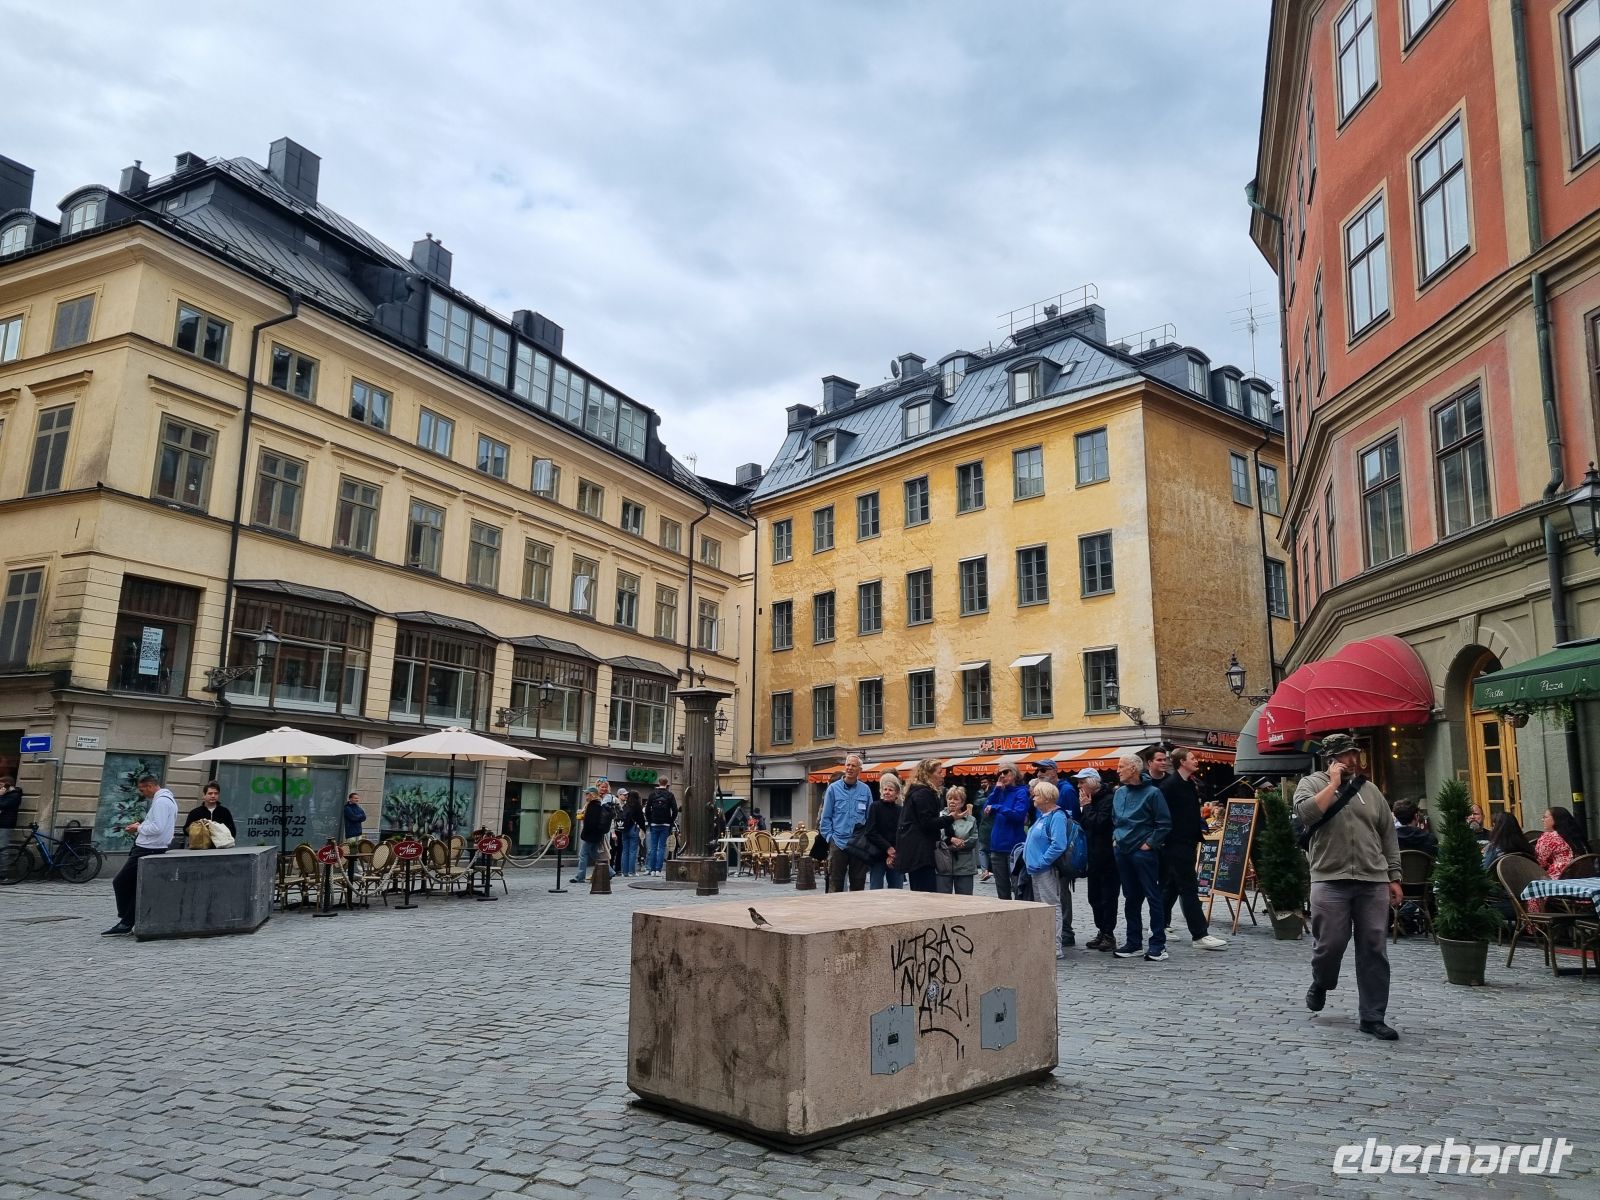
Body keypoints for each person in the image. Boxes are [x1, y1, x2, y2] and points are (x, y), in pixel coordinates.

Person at [1294, 732, 1403, 1041]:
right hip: (1330, 878)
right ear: (1331, 758)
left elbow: (1388, 836)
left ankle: (1372, 1016)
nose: (1354, 759)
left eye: (1356, 753)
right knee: (1330, 945)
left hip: (1372, 879)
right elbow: (1307, 814)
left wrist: (1394, 876)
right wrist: (1333, 784)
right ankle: (1322, 981)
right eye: (1347, 754)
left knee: (1373, 947)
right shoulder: (1311, 785)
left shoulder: (1371, 791)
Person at [1158, 750, 1227, 951]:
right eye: (1192, 759)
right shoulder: (1169, 786)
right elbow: (1163, 815)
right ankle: (1199, 934)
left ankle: (1159, 926)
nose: (1196, 761)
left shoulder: (1190, 783)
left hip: (1188, 841)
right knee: (1188, 887)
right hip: (1175, 843)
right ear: (1182, 762)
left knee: (1171, 886)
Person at [1112, 755, 1171, 961]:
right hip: (1123, 850)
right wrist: (1116, 839)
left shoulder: (1153, 793)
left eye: (1121, 766)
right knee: (1130, 897)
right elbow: (1116, 820)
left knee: (1152, 896)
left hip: (1143, 851)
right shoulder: (1119, 793)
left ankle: (1158, 944)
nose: (1117, 770)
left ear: (1133, 769)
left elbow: (1164, 823)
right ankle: (1133, 942)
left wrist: (1149, 844)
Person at [104, 774, 178, 936]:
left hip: (147, 849)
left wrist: (138, 828)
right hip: (151, 847)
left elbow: (157, 828)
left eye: (142, 789)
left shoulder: (161, 802)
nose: (142, 792)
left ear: (150, 786)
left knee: (121, 882)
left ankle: (126, 920)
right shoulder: (166, 800)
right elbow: (158, 825)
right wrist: (141, 825)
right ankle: (127, 921)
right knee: (133, 886)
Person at [1023, 779, 1070, 959]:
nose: (1033, 797)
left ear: (1046, 798)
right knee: (1043, 907)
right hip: (1035, 869)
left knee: (1051, 906)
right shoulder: (1042, 815)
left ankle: (1055, 947)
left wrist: (1042, 862)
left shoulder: (1057, 816)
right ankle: (1045, 942)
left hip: (1045, 869)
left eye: (1037, 794)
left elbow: (1059, 844)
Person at [1076, 768, 1119, 951]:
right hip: (1093, 856)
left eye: (1082, 782)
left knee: (1108, 897)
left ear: (1092, 782)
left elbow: (1099, 823)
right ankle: (1101, 930)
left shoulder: (1108, 799)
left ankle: (1109, 933)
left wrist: (1086, 806)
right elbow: (1085, 824)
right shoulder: (1090, 800)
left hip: (1108, 857)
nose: (1079, 786)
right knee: (1094, 897)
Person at [818, 754, 872, 892]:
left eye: (853, 765)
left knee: (858, 884)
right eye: (848, 765)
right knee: (835, 883)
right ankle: (835, 912)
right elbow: (825, 818)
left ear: (859, 769)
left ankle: (855, 912)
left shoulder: (865, 790)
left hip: (858, 844)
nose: (850, 768)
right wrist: (830, 838)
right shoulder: (833, 789)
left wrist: (865, 839)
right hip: (838, 843)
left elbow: (870, 818)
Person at [894, 759, 947, 893]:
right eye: (939, 772)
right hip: (920, 852)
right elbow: (928, 823)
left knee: (920, 891)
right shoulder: (924, 793)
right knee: (925, 892)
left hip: (915, 850)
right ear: (928, 774)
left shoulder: (917, 791)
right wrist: (951, 818)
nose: (943, 775)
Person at [984, 761, 1031, 900]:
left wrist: (998, 807)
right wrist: (996, 790)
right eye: (999, 773)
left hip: (1014, 847)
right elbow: (986, 809)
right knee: (1002, 890)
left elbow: (1018, 815)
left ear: (1014, 773)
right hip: (997, 846)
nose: (1002, 775)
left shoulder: (1021, 792)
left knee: (1018, 887)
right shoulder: (1000, 791)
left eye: (1005, 772)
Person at [1482, 813, 1536, 921]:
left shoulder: (1494, 849)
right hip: (1526, 898)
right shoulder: (1526, 847)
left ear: (1497, 828)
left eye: (1492, 826)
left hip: (1500, 901)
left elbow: (1483, 872)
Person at [865, 774, 905, 890]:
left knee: (897, 889)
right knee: (876, 889)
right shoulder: (875, 806)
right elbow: (870, 831)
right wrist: (888, 848)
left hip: (896, 855)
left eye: (890, 790)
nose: (887, 792)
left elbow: (902, 833)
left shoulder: (901, 810)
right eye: (885, 789)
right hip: (877, 854)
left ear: (897, 793)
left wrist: (893, 853)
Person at [938, 787, 978, 894]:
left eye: (956, 799)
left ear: (963, 802)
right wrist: (951, 840)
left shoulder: (971, 819)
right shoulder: (939, 817)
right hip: (943, 865)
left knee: (964, 901)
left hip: (965, 866)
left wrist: (961, 844)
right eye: (949, 798)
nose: (952, 801)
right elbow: (936, 836)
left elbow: (974, 838)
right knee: (942, 901)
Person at [1535, 806, 1587, 880]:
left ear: (1556, 819)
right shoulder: (1576, 835)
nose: (1542, 820)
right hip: (1583, 876)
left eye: (1545, 817)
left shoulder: (1549, 837)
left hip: (1559, 879)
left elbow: (1540, 863)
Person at [573, 788, 611, 884]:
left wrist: (584, 833)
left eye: (587, 794)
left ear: (592, 795)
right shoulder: (598, 805)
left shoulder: (592, 805)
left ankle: (580, 877)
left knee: (583, 855)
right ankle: (610, 872)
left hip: (590, 835)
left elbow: (590, 823)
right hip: (596, 835)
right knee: (595, 855)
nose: (585, 796)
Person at [644, 778, 678, 876]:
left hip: (654, 823)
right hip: (665, 824)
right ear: (667, 783)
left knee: (653, 847)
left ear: (658, 782)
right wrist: (670, 821)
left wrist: (650, 820)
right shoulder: (670, 795)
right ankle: (658, 870)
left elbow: (647, 809)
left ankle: (652, 869)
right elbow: (675, 810)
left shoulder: (652, 794)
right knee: (662, 847)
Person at [975, 777, 998, 882]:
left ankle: (986, 871)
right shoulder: (979, 793)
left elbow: (978, 803)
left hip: (988, 825)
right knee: (986, 849)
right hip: (984, 824)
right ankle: (987, 871)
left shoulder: (991, 795)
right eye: (981, 782)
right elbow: (976, 803)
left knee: (984, 850)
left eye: (984, 782)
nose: (982, 784)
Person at [618, 789, 645, 877]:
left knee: (625, 851)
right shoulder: (637, 806)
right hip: (633, 829)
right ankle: (631, 872)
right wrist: (643, 829)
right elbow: (641, 820)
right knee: (633, 851)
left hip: (624, 829)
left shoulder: (626, 805)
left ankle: (624, 872)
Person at [0, 775, 23, 848]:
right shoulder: (6, 794)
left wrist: (0, 795)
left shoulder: (15, 795)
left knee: (2, 849)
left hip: (5, 825)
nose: (0, 787)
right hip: (1, 823)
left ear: (7, 785)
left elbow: (1, 805)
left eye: (1, 785)